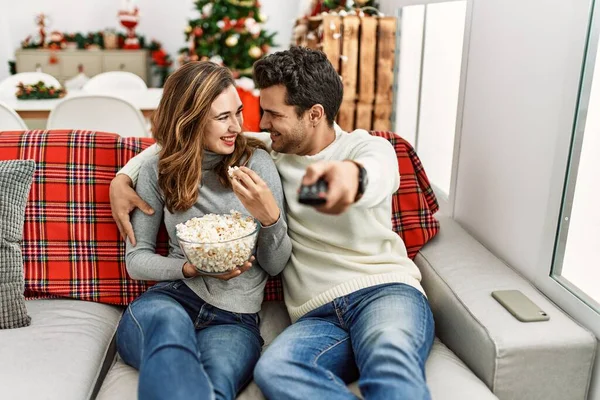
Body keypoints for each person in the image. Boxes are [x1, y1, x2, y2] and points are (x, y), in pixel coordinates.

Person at [112, 47, 434, 400]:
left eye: (271, 114)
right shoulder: (273, 148)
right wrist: (123, 177)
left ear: (314, 115)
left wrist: (345, 178)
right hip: (317, 314)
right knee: (274, 370)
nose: (259, 124)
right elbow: (179, 142)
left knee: (389, 358)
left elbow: (376, 173)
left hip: (382, 290)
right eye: (258, 112)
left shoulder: (365, 149)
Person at [114, 61, 292, 400]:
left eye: (239, 113)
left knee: (215, 385)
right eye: (223, 117)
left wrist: (269, 219)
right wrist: (189, 268)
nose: (237, 126)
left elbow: (275, 264)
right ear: (191, 118)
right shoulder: (157, 169)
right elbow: (137, 260)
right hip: (171, 300)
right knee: (168, 336)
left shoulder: (257, 164)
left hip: (234, 318)